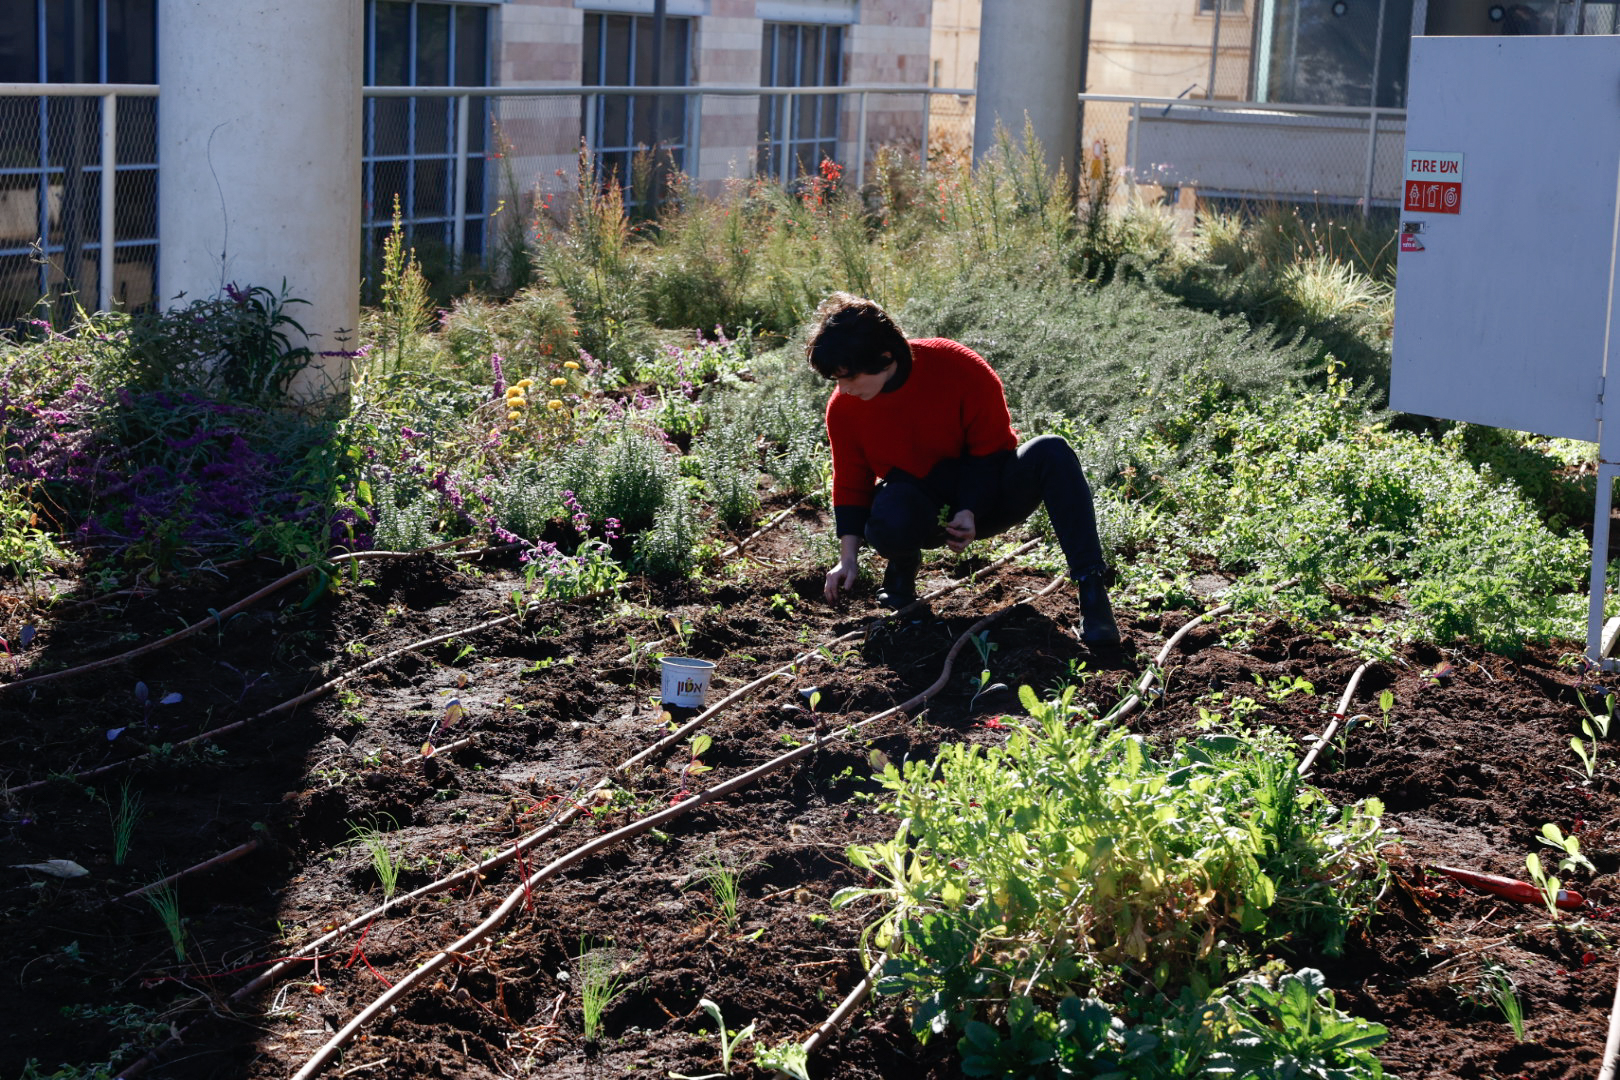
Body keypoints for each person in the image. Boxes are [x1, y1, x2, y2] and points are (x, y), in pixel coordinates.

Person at [806, 292, 1121, 645]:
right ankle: (901, 573)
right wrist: (846, 558)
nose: (842, 389)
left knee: (1052, 451)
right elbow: (851, 481)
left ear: (884, 357)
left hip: (988, 496)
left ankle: (1094, 595)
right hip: (924, 509)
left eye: (849, 377)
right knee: (889, 513)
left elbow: (992, 450)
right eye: (835, 378)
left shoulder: (955, 365)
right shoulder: (844, 408)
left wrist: (970, 508)